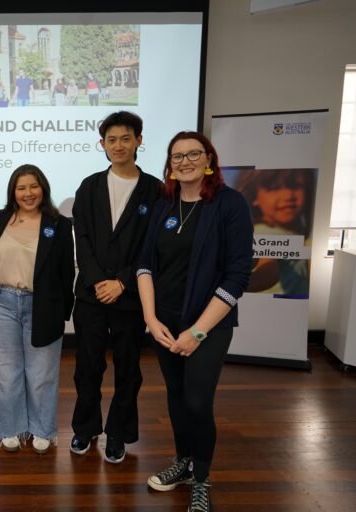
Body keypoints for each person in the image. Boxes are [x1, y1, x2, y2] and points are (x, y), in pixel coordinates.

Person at [136, 131, 253, 512]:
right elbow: (145, 265)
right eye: (176, 156)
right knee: (176, 396)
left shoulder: (229, 205)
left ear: (208, 160)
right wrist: (151, 319)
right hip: (165, 324)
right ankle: (183, 462)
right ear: (169, 164)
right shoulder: (162, 205)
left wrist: (198, 331)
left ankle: (201, 478)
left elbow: (238, 277)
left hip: (209, 325)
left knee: (198, 402)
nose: (184, 161)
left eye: (192, 154)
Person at [70, 111, 163, 464]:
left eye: (126, 138)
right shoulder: (89, 186)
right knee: (87, 366)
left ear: (139, 140)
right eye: (111, 140)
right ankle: (85, 427)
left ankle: (118, 433)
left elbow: (151, 245)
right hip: (91, 295)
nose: (118, 145)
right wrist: (98, 281)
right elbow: (84, 237)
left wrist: (122, 281)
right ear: (102, 145)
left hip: (131, 296)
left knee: (128, 368)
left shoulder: (155, 190)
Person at [0, 165, 75, 454]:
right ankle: (10, 428)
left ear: (43, 189)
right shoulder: (1, 219)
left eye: (33, 186)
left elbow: (66, 272)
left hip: (43, 304)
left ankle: (42, 428)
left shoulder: (59, 224)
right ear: (13, 191)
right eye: (21, 187)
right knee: (5, 371)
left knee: (41, 373)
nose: (28, 193)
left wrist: (62, 312)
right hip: (4, 302)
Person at [235, 169, 315, 296]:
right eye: (273, 188)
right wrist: (235, 285)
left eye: (295, 186)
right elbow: (269, 268)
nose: (288, 196)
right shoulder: (265, 232)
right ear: (254, 196)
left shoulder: (297, 236)